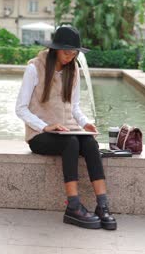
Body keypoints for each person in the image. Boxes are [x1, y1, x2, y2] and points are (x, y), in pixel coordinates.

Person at [15, 26, 117, 230]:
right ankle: (73, 207)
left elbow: (75, 107)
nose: (70, 57)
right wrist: (45, 126)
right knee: (70, 143)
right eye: (66, 52)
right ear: (55, 49)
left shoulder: (73, 70)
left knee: (89, 142)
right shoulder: (35, 68)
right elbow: (20, 109)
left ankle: (102, 205)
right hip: (39, 135)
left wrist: (85, 123)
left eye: (74, 53)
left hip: (67, 130)